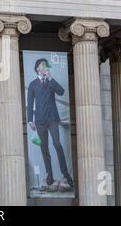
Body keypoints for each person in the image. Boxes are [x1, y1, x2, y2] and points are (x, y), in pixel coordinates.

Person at [27, 58, 74, 188]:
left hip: (52, 119)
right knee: (44, 149)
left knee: (57, 144)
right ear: (38, 68)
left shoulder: (50, 82)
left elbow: (61, 91)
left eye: (46, 65)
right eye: (43, 65)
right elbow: (30, 103)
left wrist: (51, 78)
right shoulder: (32, 84)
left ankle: (66, 174)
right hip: (40, 121)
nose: (45, 67)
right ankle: (49, 174)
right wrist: (30, 119)